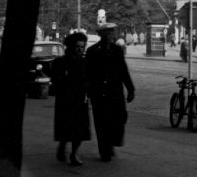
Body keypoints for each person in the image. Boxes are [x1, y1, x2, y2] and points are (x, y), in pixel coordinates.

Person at [85, 22, 135, 162]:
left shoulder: (116, 50)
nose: (110, 35)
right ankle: (104, 150)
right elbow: (88, 73)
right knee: (101, 123)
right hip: (99, 93)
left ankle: (112, 141)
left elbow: (123, 70)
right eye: (107, 32)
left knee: (120, 118)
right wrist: (89, 92)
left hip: (115, 92)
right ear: (100, 34)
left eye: (112, 32)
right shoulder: (92, 51)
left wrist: (130, 89)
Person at [51, 32, 90, 167]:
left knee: (80, 128)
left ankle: (74, 153)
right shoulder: (60, 62)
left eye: (82, 47)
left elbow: (88, 79)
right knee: (66, 126)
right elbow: (56, 81)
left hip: (80, 100)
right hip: (66, 100)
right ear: (71, 46)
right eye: (77, 46)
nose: (80, 50)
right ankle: (62, 145)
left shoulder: (84, 62)